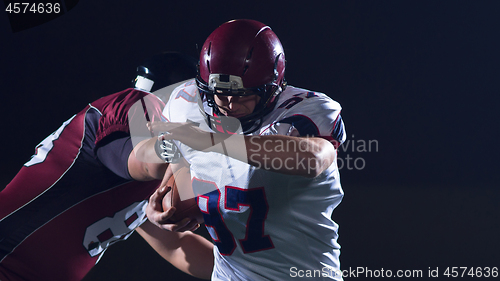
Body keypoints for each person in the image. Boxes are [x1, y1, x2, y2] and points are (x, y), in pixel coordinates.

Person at [146, 20, 347, 280]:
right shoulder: (186, 104)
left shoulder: (306, 109)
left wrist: (208, 140)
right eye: (220, 93)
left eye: (243, 94)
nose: (230, 104)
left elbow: (312, 159)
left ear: (272, 87)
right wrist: (157, 209)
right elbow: (179, 171)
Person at [0, 52, 213, 281]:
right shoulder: (139, 103)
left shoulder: (163, 170)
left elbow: (177, 246)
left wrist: (248, 271)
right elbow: (147, 162)